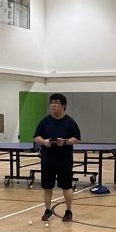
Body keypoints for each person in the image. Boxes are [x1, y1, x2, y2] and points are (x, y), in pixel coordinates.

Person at [33, 93, 81, 222]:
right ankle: (47, 210)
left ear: (63, 106)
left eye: (56, 102)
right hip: (47, 160)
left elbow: (77, 139)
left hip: (64, 160)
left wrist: (65, 142)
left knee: (66, 186)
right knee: (47, 187)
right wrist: (44, 142)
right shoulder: (44, 121)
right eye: (51, 102)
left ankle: (68, 211)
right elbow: (36, 137)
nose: (53, 105)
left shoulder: (70, 122)